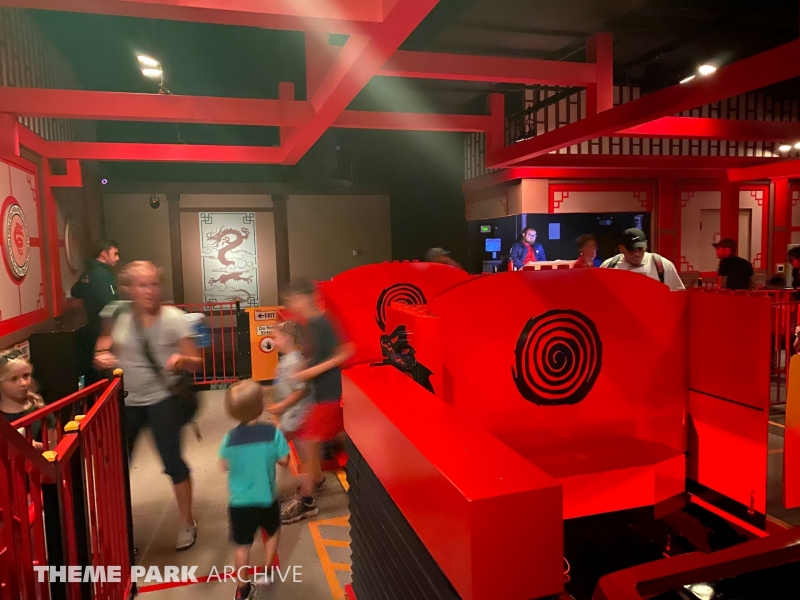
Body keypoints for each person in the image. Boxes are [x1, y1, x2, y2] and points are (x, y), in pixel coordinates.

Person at [94, 261, 202, 551]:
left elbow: (196, 361)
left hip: (162, 399)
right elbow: (105, 342)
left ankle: (187, 522)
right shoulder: (115, 314)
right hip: (126, 401)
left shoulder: (174, 319)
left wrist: (183, 360)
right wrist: (102, 354)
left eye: (154, 284)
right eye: (143, 285)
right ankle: (118, 530)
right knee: (116, 468)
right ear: (129, 289)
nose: (150, 291)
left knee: (172, 461)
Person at [280, 279, 354, 524]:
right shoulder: (310, 323)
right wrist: (305, 365)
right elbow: (319, 355)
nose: (291, 305)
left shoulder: (323, 322)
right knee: (313, 441)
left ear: (307, 297)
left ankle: (307, 500)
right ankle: (317, 481)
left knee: (312, 444)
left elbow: (343, 353)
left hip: (327, 393)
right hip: (317, 393)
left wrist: (307, 372)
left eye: (294, 299)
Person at [220, 380, 290, 600]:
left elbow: (224, 464)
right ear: (261, 407)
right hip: (267, 498)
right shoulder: (272, 433)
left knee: (242, 546)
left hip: (239, 503)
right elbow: (285, 460)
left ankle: (242, 588)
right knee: (273, 531)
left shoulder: (230, 438)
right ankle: (267, 569)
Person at [267, 320, 318, 523]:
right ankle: (305, 494)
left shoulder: (294, 361)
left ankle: (306, 499)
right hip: (293, 417)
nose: (272, 341)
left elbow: (301, 389)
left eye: (275, 337)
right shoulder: (287, 359)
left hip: (297, 418)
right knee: (296, 457)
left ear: (287, 338)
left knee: (278, 452)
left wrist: (281, 406)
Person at [72, 240, 120, 386]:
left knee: (92, 373)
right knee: (106, 373)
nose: (117, 258)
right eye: (115, 254)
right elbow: (110, 303)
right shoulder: (103, 275)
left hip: (90, 325)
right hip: (103, 328)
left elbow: (75, 291)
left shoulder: (88, 273)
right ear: (104, 254)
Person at [600, 228, 685, 291]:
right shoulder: (609, 266)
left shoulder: (662, 265)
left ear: (646, 245)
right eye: (631, 250)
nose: (637, 254)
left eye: (640, 249)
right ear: (621, 248)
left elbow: (677, 296)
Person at [0, 351, 54, 450]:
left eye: (26, 376)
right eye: (14, 379)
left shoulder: (39, 407)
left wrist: (37, 446)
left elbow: (55, 445)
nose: (23, 383)